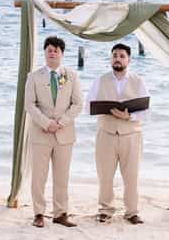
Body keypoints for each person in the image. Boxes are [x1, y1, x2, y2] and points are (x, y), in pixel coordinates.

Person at [25, 36, 83, 228]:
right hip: (41, 132)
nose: (52, 53)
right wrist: (45, 122)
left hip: (64, 133)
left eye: (56, 50)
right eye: (49, 50)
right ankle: (39, 213)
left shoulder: (72, 76)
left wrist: (62, 122)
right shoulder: (34, 76)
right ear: (45, 52)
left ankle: (60, 213)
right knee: (39, 177)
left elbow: (77, 104)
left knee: (62, 176)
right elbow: (29, 104)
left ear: (62, 54)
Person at [89, 43, 150, 224]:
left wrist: (128, 116)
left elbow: (146, 112)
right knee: (105, 175)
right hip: (106, 134)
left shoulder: (139, 81)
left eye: (122, 56)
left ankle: (132, 212)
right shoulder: (100, 80)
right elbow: (88, 105)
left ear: (129, 60)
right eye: (115, 55)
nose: (118, 58)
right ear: (111, 59)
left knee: (131, 176)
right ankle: (105, 210)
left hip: (131, 135)